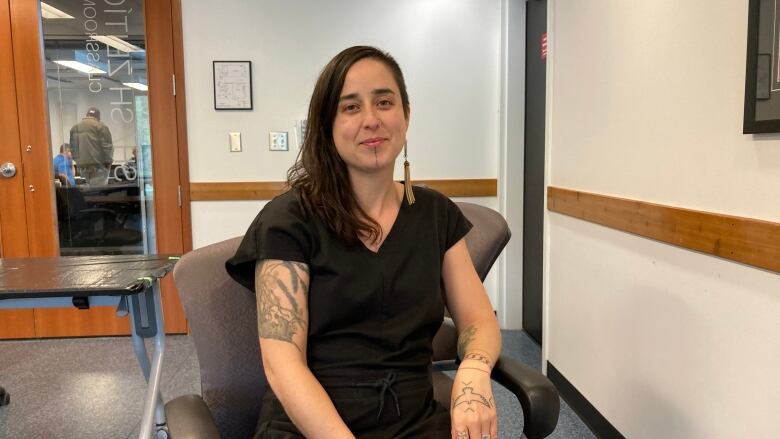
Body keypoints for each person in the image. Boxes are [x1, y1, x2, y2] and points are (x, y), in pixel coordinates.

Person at [226, 46, 501, 439]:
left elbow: (477, 320)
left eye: (384, 102)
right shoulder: (289, 219)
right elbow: (282, 364)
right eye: (350, 107)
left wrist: (473, 374)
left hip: (413, 422)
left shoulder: (435, 214)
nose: (371, 120)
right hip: (310, 425)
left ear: (406, 115)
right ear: (327, 125)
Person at [69, 107, 113, 186]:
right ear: (98, 117)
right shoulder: (101, 126)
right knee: (99, 195)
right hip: (98, 169)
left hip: (82, 169)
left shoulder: (74, 128)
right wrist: (108, 165)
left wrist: (79, 163)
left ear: (87, 115)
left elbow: (73, 150)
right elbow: (107, 148)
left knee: (88, 195)